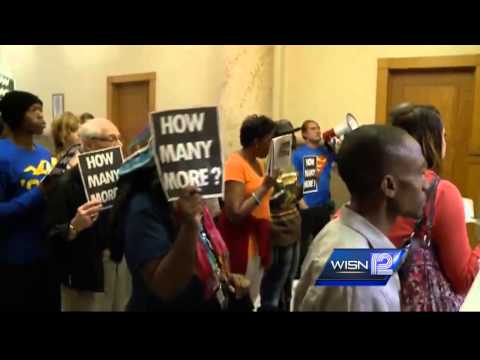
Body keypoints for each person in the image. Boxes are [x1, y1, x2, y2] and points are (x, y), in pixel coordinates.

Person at [294, 125, 428, 311]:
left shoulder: (339, 232)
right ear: (389, 186)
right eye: (420, 173)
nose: (426, 184)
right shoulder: (358, 283)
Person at [108, 146, 251, 311]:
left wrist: (224, 279)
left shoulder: (191, 195)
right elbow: (165, 287)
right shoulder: (144, 207)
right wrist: (189, 225)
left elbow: (204, 249)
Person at [389, 104, 480, 296]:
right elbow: (464, 280)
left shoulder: (370, 186)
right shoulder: (441, 192)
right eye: (444, 135)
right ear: (431, 140)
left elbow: (356, 269)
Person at [47, 118, 131, 311]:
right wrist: (74, 226)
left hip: (118, 263)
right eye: (112, 138)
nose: (119, 145)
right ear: (91, 144)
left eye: (120, 138)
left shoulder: (121, 176)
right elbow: (51, 235)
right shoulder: (65, 182)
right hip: (84, 273)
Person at [0, 90, 60, 311]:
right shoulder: (2, 155)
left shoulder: (44, 153)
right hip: (13, 259)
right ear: (16, 115)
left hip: (47, 253)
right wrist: (39, 193)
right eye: (34, 110)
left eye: (41, 110)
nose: (42, 116)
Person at [217, 114, 279, 307]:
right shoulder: (235, 164)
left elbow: (260, 202)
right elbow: (234, 213)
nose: (271, 146)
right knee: (241, 299)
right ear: (256, 142)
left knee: (253, 297)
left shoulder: (259, 163)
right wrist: (264, 188)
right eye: (269, 140)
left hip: (258, 241)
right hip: (241, 241)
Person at [259, 120, 302, 311]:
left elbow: (293, 193)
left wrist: (305, 186)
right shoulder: (271, 162)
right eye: (287, 135)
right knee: (275, 283)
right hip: (278, 229)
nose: (291, 139)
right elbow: (270, 196)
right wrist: (290, 193)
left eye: (291, 135)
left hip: (292, 226)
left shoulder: (289, 159)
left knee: (288, 280)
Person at [292, 120, 336, 274]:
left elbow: (340, 163)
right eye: (312, 129)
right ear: (304, 134)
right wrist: (300, 203)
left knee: (324, 247)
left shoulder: (326, 152)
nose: (317, 131)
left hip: (323, 206)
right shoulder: (297, 154)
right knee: (303, 248)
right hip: (306, 207)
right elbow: (292, 180)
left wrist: (334, 145)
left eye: (318, 128)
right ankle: (299, 280)